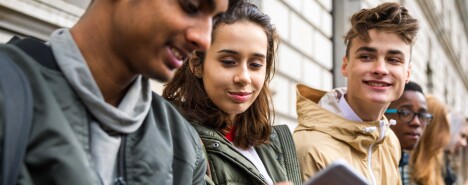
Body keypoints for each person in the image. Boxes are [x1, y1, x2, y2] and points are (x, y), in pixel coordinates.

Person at [0, 0, 236, 184]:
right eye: (191, 7)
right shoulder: (8, 91)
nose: (204, 40)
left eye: (214, 20)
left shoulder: (182, 141)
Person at [162, 2, 297, 185]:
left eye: (255, 65)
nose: (244, 78)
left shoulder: (274, 143)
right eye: (228, 61)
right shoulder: (171, 132)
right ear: (196, 65)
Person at [293, 2, 419, 185]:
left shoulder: (390, 140)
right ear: (345, 66)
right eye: (367, 57)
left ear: (407, 74)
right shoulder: (308, 147)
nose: (380, 69)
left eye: (393, 60)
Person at [409, 96, 468, 185]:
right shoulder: (407, 166)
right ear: (432, 129)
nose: (464, 144)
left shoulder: (436, 164)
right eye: (445, 128)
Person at [385, 81, 432, 185]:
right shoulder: (372, 163)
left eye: (422, 115)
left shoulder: (403, 162)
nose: (416, 122)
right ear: (383, 113)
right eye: (405, 113)